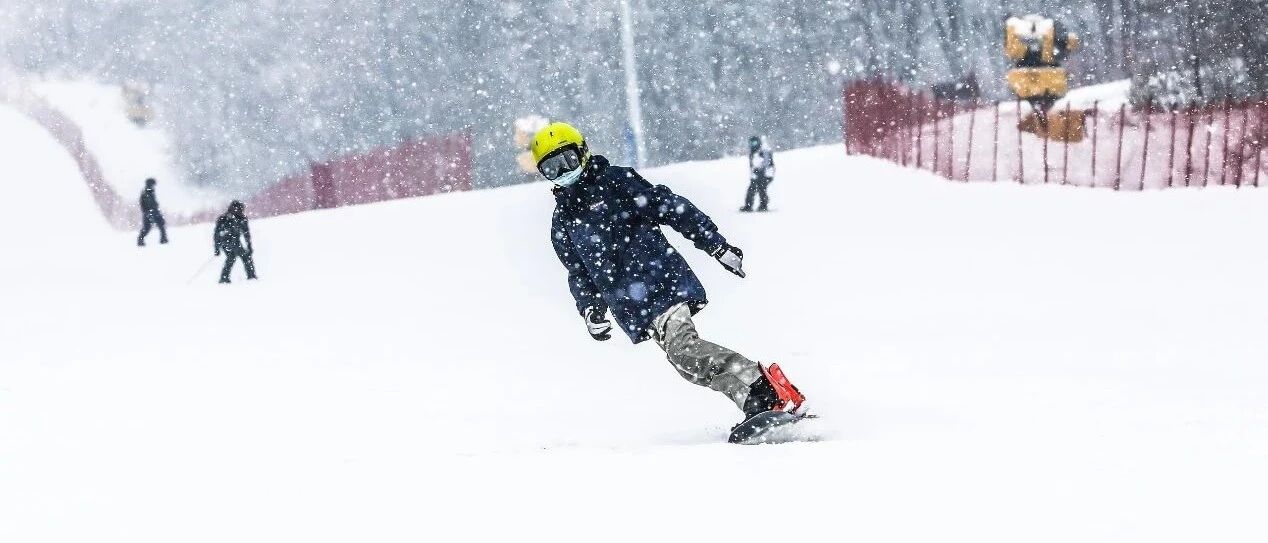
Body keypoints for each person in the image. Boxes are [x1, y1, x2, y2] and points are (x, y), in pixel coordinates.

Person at [533, 122, 805, 427]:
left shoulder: (615, 182)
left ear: (583, 152)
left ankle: (763, 389)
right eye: (552, 168)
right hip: (633, 303)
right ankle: (756, 402)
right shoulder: (564, 220)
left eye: (567, 160)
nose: (563, 172)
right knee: (685, 364)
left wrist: (716, 246)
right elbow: (579, 272)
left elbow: (672, 208)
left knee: (684, 350)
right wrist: (591, 309)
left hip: (661, 280)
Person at [213, 200, 257, 284]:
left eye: (240, 209)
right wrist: (217, 248)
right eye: (237, 208)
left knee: (234, 258)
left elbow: (246, 233)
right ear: (232, 208)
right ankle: (250, 276)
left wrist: (249, 246)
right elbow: (216, 234)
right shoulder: (224, 218)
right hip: (226, 242)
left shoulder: (242, 218)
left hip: (235, 241)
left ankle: (224, 278)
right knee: (240, 257)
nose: (239, 210)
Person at [741, 135, 774, 212]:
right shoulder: (753, 152)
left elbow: (767, 163)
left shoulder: (763, 151)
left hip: (766, 174)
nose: (753, 145)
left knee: (761, 189)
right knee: (753, 189)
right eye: (752, 143)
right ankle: (749, 206)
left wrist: (761, 171)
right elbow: (752, 165)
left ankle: (763, 205)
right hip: (757, 174)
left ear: (758, 142)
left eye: (755, 143)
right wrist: (754, 173)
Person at [136, 178, 168, 246]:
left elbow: (144, 203)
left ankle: (140, 240)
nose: (154, 185)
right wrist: (152, 209)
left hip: (149, 212)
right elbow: (149, 203)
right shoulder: (148, 190)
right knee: (159, 224)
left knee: (148, 227)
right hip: (151, 211)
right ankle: (163, 239)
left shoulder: (147, 191)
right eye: (153, 184)